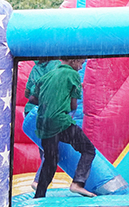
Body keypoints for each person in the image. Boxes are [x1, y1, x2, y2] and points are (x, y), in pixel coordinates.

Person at [30, 58, 96, 198]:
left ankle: (40, 194)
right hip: (61, 121)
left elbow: (32, 99)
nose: (81, 67)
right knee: (88, 150)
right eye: (81, 63)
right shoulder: (73, 75)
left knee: (51, 159)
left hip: (44, 124)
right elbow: (73, 106)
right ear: (73, 61)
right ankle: (77, 183)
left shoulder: (46, 76)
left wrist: (50, 101)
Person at [24, 59, 61, 190]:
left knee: (44, 147)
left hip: (30, 112)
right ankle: (39, 181)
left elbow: (27, 93)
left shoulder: (35, 68)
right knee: (52, 151)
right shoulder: (56, 64)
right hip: (45, 112)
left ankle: (42, 180)